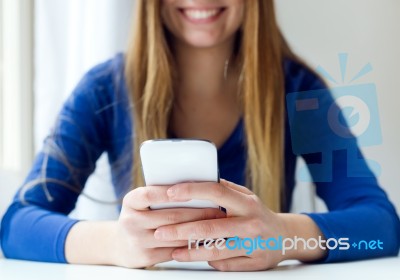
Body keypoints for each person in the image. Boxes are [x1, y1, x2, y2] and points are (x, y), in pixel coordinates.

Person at [1, 0, 399, 271]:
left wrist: (283, 238)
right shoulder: (103, 88)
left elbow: (381, 227)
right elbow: (15, 226)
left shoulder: (301, 90)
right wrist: (115, 244)